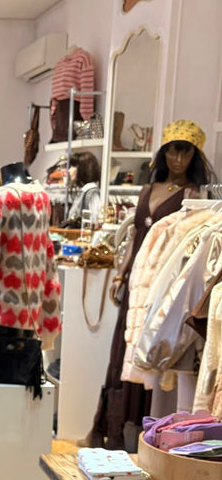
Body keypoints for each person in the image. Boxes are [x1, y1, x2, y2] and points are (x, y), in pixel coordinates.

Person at [86, 119, 213, 450]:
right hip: (135, 282)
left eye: (185, 153)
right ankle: (110, 429)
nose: (178, 159)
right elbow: (134, 236)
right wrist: (121, 273)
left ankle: (138, 435)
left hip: (160, 284)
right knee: (121, 354)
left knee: (146, 353)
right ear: (163, 153)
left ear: (195, 157)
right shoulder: (148, 189)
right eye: (172, 151)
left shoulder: (194, 195)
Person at [63, 151, 102, 228]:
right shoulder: (84, 192)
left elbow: (92, 222)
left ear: (83, 169)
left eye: (73, 166)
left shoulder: (91, 193)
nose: (69, 170)